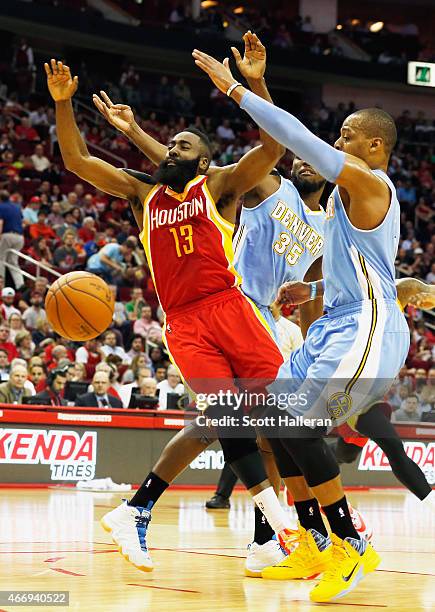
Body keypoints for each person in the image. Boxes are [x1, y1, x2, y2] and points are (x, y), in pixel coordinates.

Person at [191, 40, 430, 601]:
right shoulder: (344, 202)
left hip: (367, 328)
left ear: (375, 145)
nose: (336, 143)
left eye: (345, 136)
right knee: (273, 417)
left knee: (298, 422)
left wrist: (237, 90)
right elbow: (361, 265)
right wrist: (315, 287)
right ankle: (312, 546)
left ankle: (351, 543)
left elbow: (299, 139)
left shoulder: (370, 184)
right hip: (337, 321)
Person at [46, 55, 284, 576]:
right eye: (169, 142)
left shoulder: (217, 186)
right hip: (184, 320)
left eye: (183, 145)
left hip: (232, 308)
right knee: (224, 418)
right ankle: (272, 527)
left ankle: (265, 535)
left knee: (277, 422)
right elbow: (78, 160)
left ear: (201, 162)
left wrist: (255, 83)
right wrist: (64, 104)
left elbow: (273, 146)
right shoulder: (143, 193)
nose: (171, 148)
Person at [0, 190, 24, 289]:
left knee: (1, 259)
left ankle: (1, 284)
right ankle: (20, 284)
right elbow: (22, 221)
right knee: (12, 261)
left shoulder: (1, 206)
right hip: (19, 237)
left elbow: (1, 222)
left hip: (8, 234)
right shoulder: (17, 207)